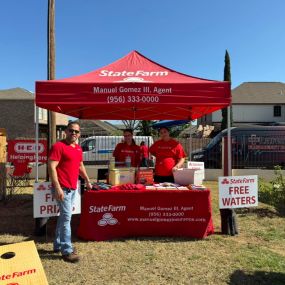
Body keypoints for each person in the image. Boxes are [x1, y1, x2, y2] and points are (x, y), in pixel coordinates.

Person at [48, 121, 92, 263]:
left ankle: (58, 244)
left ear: (79, 134)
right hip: (62, 188)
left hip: (72, 188)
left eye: (76, 132)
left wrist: (87, 179)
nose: (74, 133)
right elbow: (51, 166)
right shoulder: (58, 146)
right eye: (71, 130)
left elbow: (80, 165)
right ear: (66, 131)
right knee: (66, 218)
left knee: (64, 217)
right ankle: (67, 250)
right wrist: (58, 187)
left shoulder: (78, 148)